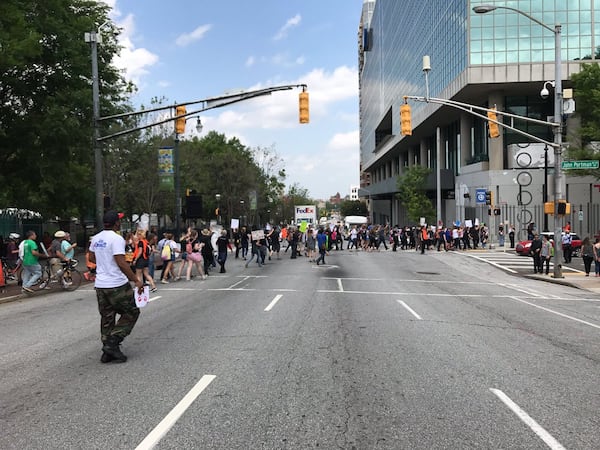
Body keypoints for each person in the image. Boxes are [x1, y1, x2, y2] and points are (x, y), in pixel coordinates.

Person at [89, 211, 144, 363]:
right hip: (116, 284)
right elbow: (121, 262)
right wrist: (136, 280)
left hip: (100, 284)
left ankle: (107, 350)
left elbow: (92, 257)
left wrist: (103, 259)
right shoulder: (116, 239)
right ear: (116, 223)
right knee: (132, 312)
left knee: (107, 317)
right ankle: (113, 342)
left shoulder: (96, 238)